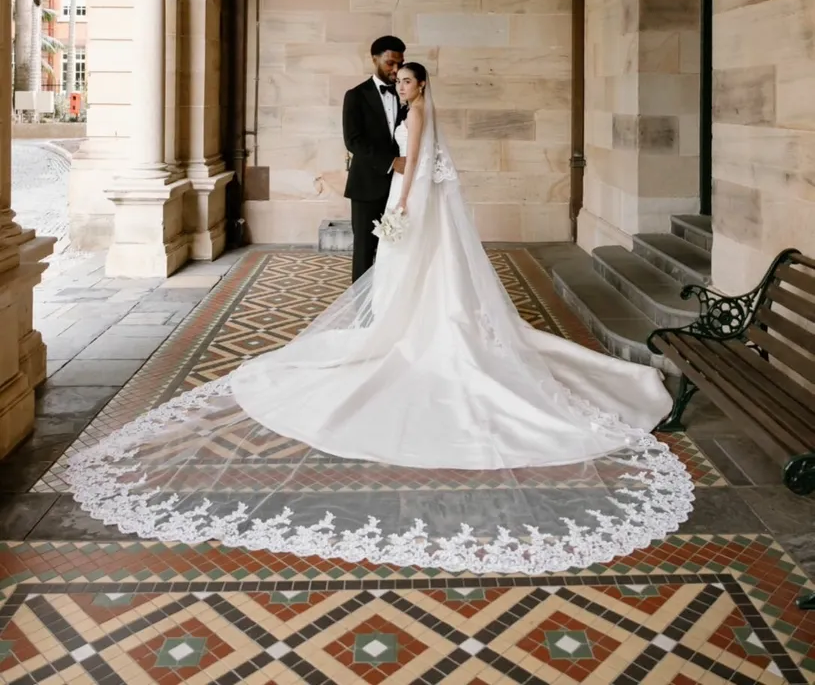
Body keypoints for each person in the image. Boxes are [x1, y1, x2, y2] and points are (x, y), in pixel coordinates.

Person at [66, 64, 693, 575]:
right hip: (413, 197)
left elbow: (412, 164)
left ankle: (415, 329)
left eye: (408, 81)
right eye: (400, 81)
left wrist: (401, 207)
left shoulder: (417, 115)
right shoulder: (416, 110)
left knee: (413, 276)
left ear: (421, 85)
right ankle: (412, 322)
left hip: (410, 197)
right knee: (417, 277)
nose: (402, 86)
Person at [342, 35, 406, 283]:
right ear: (374, 59)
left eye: (400, 63)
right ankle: (361, 303)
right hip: (366, 185)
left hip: (399, 186)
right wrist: (391, 162)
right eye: (390, 63)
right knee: (364, 249)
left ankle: (390, 300)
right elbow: (353, 140)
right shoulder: (355, 95)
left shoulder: (406, 93)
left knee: (398, 248)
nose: (396, 69)